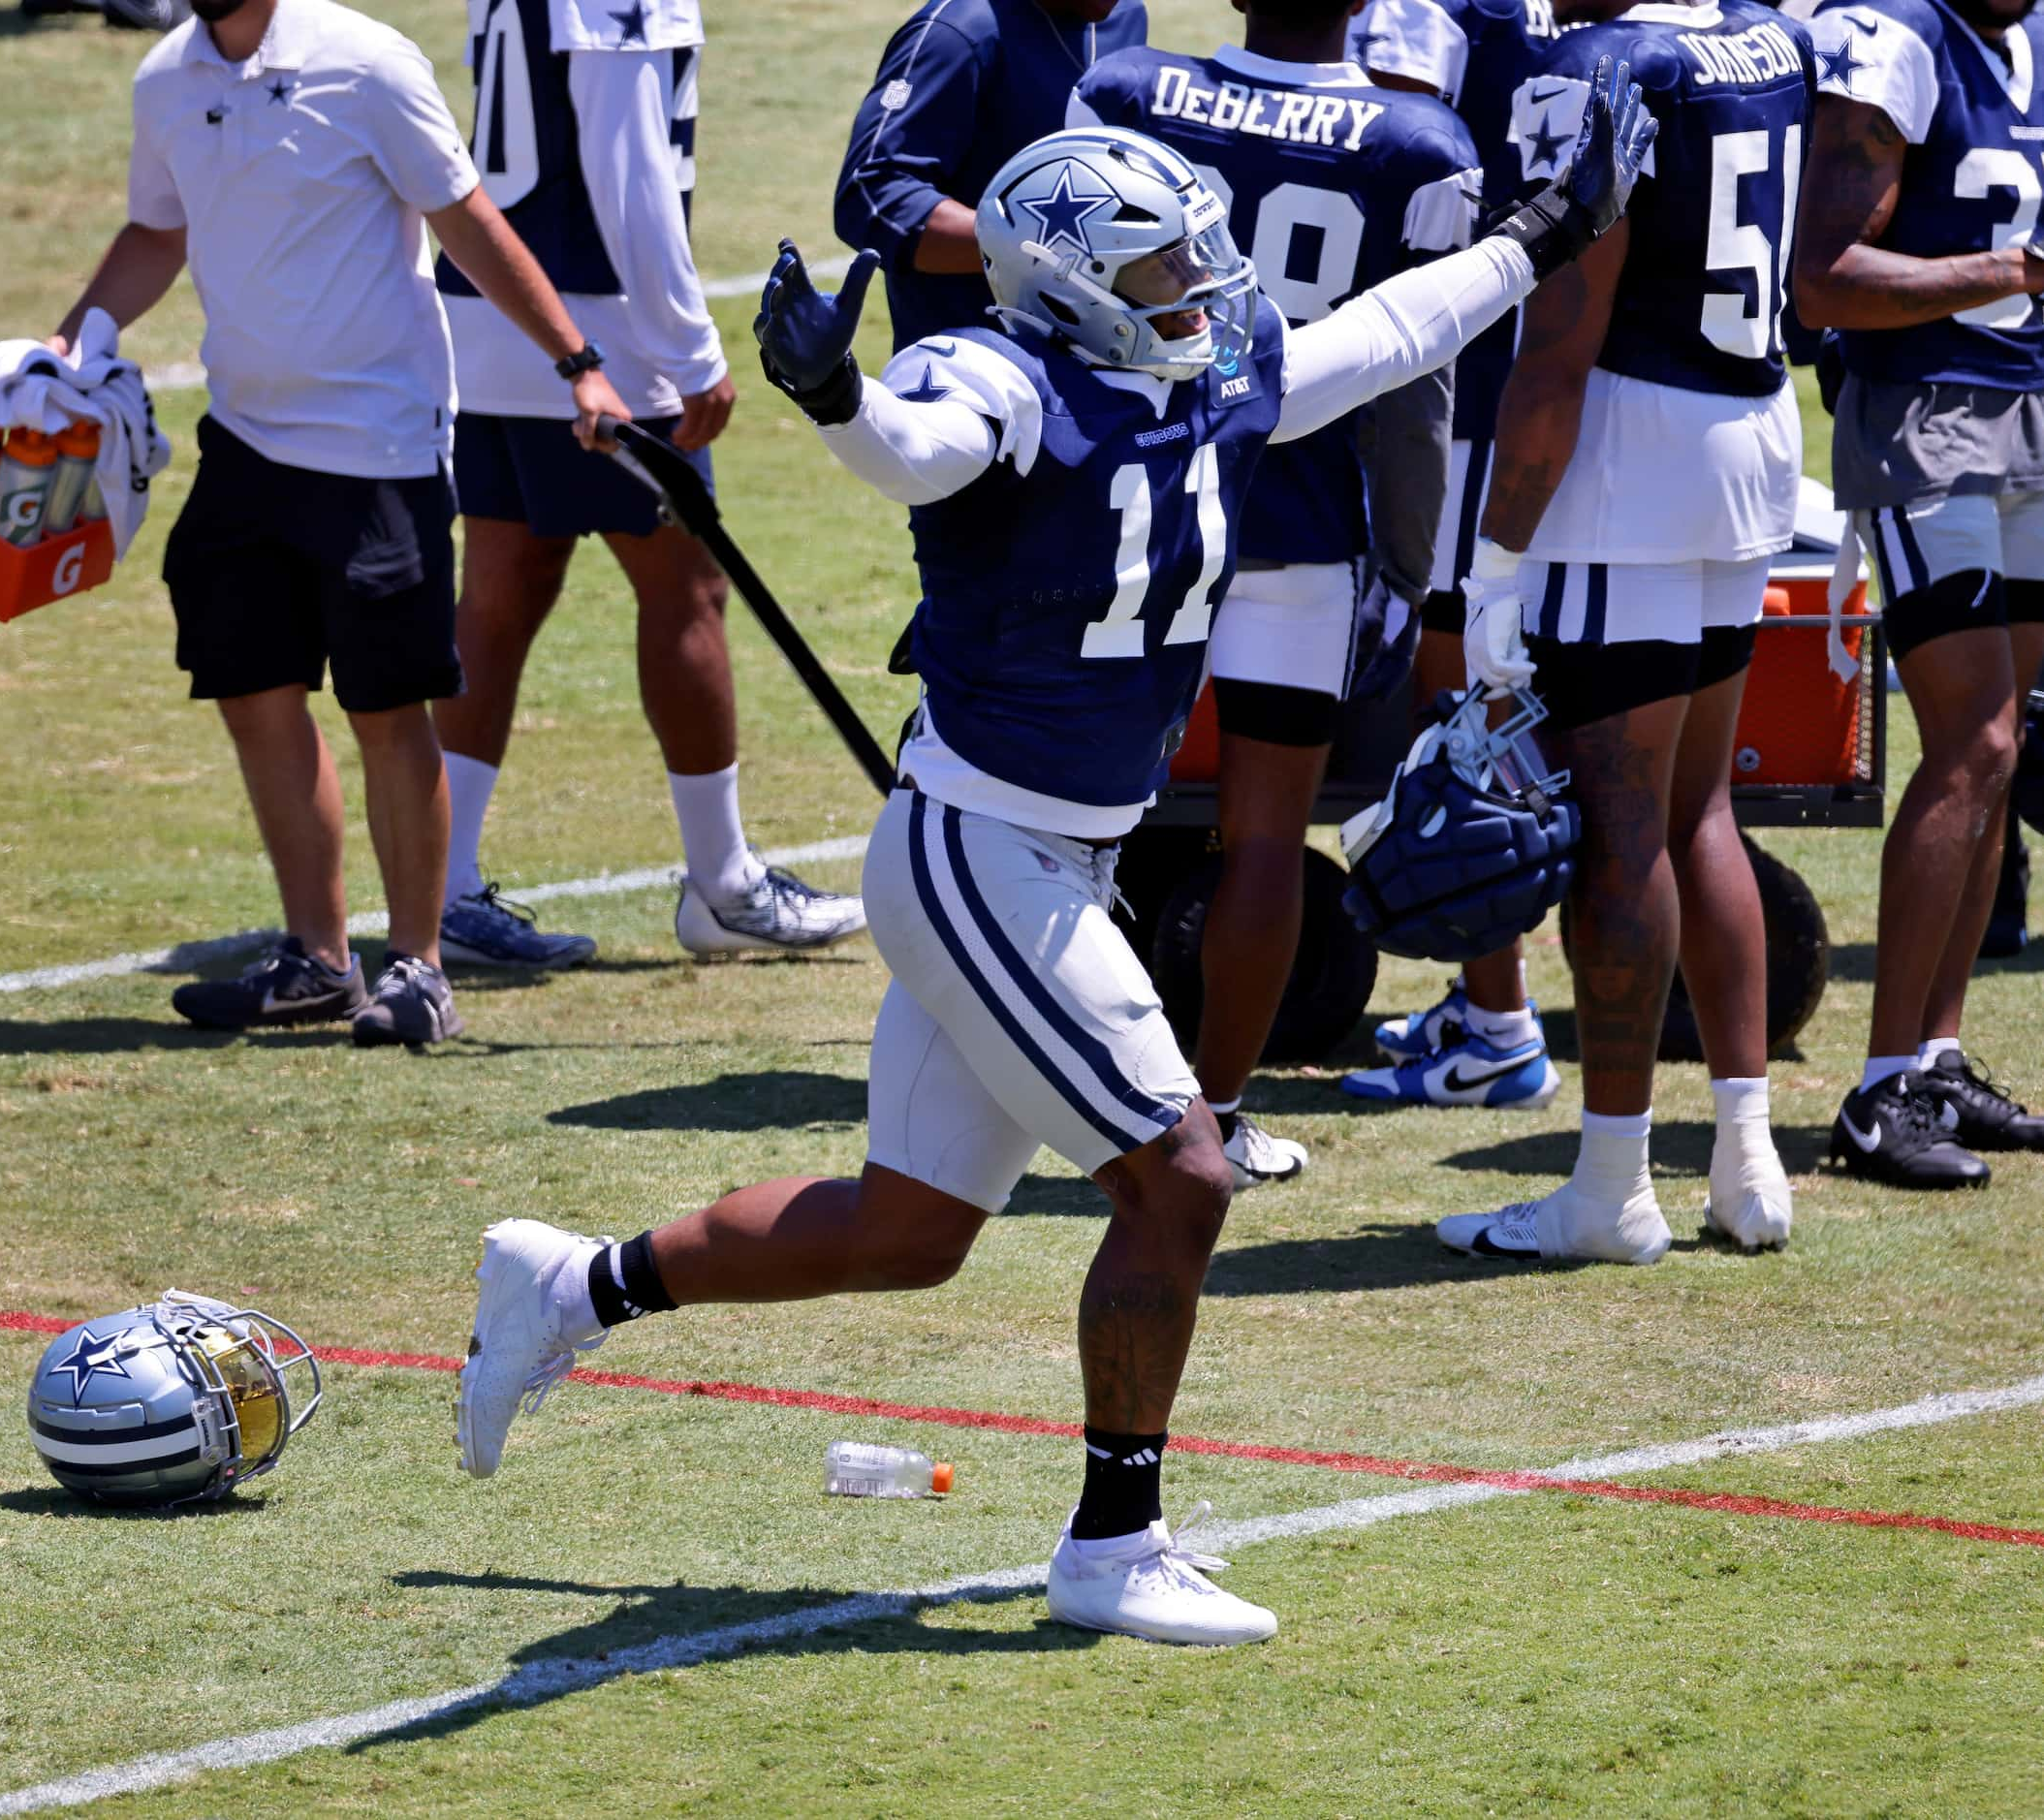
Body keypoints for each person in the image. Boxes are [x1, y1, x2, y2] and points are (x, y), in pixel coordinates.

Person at [456, 78, 1653, 1644]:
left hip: (1047, 856)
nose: (1203, 291)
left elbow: (1388, 333)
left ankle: (571, 1284)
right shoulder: (1006, 377)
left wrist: (1534, 233)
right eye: (1165, 267)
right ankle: (1111, 1539)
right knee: (1182, 1170)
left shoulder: (1202, 374)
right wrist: (836, 400)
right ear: (1073, 279)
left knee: (907, 1229)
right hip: (978, 847)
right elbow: (918, 447)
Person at [48, 0, 633, 1049]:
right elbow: (158, 225)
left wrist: (578, 365)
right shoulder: (164, 81)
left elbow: (467, 219)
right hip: (243, 439)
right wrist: (74, 334)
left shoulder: (367, 64)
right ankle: (318, 961)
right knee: (254, 692)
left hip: (380, 447)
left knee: (387, 706)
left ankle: (419, 968)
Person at [1071, 0, 1482, 1186]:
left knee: (1068, 816)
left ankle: (1051, 1079)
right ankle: (1218, 1113)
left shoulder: (1132, 90)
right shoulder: (1418, 144)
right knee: (1262, 840)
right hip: (1298, 528)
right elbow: (1416, 393)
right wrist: (1407, 562)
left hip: (1136, 511)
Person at [1431, 0, 1812, 1264]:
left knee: (1620, 824)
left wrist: (1491, 566)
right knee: (1700, 810)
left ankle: (1609, 1183)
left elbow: (1554, 347)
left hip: (1624, 460)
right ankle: (1746, 1158)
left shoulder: (1601, 63)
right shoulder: (1766, 36)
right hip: (1748, 438)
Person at [431, 0, 868, 969]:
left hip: (489, 314)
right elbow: (624, 168)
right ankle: (722, 884)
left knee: (502, 588)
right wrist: (686, 346)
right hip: (597, 336)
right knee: (686, 589)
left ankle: (444, 885)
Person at [1794, 0, 2044, 1183]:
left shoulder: (2026, 33)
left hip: (2030, 406)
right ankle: (1879, 1086)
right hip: (1926, 410)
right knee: (1973, 738)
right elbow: (1822, 277)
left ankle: (1936, 1061)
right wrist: (2007, 270)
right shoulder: (1892, 36)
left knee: (2001, 750)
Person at [1339, 0, 1573, 1113]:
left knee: (1464, 723)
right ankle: (1495, 1005)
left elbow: (1401, 165)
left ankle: (1498, 1028)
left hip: (1469, 396)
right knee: (1508, 707)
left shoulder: (1424, 10)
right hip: (1580, 395)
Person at [835, 0, 1151, 357]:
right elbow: (869, 196)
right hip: (973, 376)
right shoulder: (957, 34)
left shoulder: (1126, 18)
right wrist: (1050, 251)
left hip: (1103, 370)